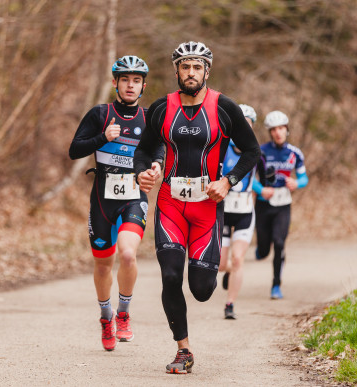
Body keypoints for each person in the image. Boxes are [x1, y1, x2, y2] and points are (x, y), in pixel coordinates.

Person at [133, 41, 260, 374]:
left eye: (197, 67)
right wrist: (143, 172)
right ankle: (183, 349)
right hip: (170, 205)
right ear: (176, 70)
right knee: (171, 275)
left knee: (202, 290)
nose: (191, 73)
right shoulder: (161, 108)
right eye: (185, 67)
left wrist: (228, 181)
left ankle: (209, 276)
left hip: (207, 207)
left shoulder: (224, 107)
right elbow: (144, 151)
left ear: (207, 71)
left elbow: (251, 151)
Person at [69, 55, 163, 351]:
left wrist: (158, 164)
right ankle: (106, 316)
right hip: (102, 200)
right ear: (115, 83)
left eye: (136, 81)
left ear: (143, 85)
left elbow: (159, 146)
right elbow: (74, 150)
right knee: (102, 265)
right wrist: (101, 137)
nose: (131, 85)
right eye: (125, 80)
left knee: (128, 255)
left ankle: (123, 313)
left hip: (134, 196)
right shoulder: (100, 114)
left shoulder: (149, 118)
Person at [253, 110, 308, 300]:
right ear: (270, 132)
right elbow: (250, 179)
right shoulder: (260, 152)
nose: (278, 132)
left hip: (283, 204)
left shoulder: (294, 153)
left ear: (287, 130)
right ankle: (260, 250)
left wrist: (296, 183)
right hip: (263, 204)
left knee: (279, 243)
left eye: (281, 128)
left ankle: (276, 285)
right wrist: (260, 190)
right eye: (274, 129)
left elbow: (303, 177)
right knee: (264, 249)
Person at [219, 104, 258, 320]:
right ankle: (227, 272)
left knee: (238, 259)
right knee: (222, 264)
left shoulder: (255, 152)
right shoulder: (223, 150)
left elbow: (263, 179)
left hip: (244, 211)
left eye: (248, 124)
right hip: (224, 211)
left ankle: (230, 304)